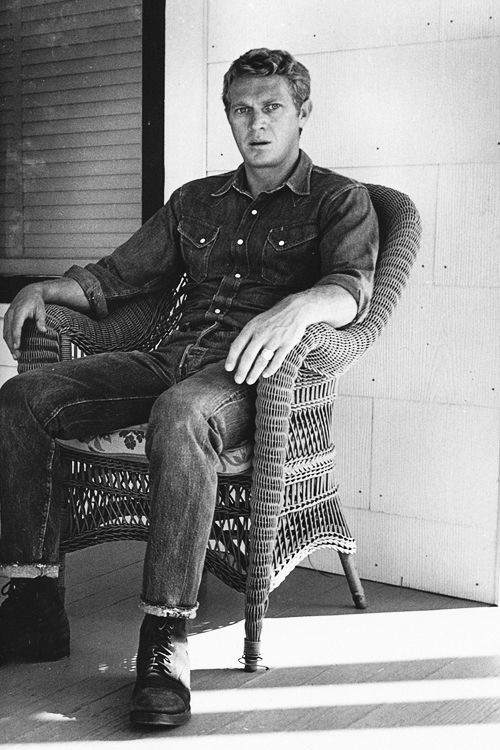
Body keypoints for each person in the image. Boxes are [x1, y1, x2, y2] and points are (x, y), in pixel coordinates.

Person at [0, 48, 378, 726]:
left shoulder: (339, 199)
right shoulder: (195, 201)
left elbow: (353, 290)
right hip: (168, 358)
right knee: (24, 397)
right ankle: (32, 605)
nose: (255, 124)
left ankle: (163, 640)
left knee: (180, 414)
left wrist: (300, 306)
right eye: (241, 109)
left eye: (271, 108)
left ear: (302, 114)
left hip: (248, 380)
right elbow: (119, 278)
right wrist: (46, 287)